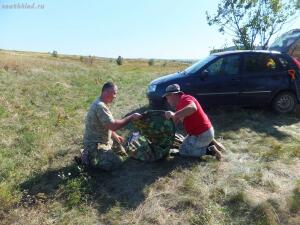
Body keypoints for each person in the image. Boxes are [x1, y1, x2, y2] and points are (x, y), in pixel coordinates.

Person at [81, 82, 142, 171]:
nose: (115, 96)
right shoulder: (100, 106)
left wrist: (115, 135)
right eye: (114, 93)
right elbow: (113, 126)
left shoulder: (101, 102)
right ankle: (88, 158)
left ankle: (93, 154)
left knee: (123, 152)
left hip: (104, 139)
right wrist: (131, 117)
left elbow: (107, 124)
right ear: (106, 92)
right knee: (117, 163)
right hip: (95, 144)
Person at [164, 84, 225, 160]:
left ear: (172, 95)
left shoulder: (186, 99)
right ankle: (212, 143)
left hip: (202, 134)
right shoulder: (180, 105)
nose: (167, 100)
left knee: (183, 152)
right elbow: (175, 122)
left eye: (167, 97)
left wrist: (174, 114)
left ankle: (210, 151)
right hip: (203, 133)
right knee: (183, 146)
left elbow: (192, 108)